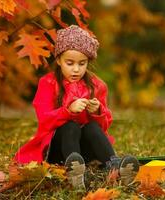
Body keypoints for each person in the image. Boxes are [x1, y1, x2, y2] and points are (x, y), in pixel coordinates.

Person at [14, 25, 139, 189]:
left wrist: (98, 112)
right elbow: (44, 120)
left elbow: (103, 127)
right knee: (71, 126)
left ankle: (114, 166)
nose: (76, 69)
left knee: (92, 127)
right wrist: (68, 111)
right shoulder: (48, 83)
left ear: (88, 62)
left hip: (85, 151)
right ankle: (73, 169)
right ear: (58, 60)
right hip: (56, 150)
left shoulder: (96, 86)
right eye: (70, 63)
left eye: (82, 63)